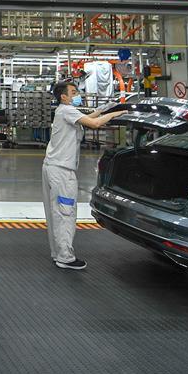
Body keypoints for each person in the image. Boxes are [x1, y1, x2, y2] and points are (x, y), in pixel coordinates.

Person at [43, 81, 125, 270]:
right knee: (65, 213)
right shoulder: (67, 110)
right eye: (73, 92)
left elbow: (88, 118)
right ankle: (65, 257)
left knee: (56, 212)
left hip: (54, 167)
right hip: (62, 172)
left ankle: (58, 253)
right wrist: (115, 114)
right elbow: (94, 124)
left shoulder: (64, 111)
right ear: (63, 96)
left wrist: (103, 110)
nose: (77, 94)